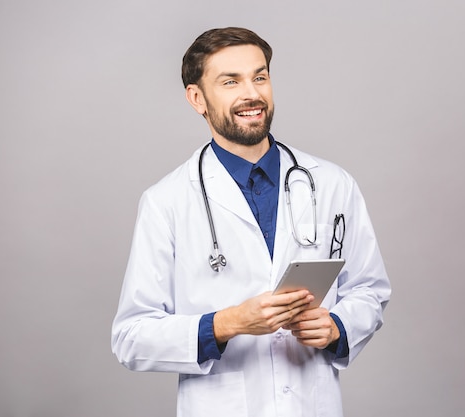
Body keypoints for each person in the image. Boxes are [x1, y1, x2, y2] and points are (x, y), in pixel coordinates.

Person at [111, 27, 391, 417]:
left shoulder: (331, 183)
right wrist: (226, 323)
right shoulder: (166, 202)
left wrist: (338, 328)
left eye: (260, 77)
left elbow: (369, 289)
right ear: (197, 98)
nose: (252, 94)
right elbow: (131, 336)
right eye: (231, 82)